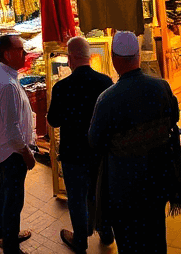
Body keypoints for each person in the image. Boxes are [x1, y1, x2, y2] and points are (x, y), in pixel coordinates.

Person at [88, 30, 181, 254]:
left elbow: (95, 140)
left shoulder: (107, 98)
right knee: (155, 236)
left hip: (124, 186)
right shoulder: (161, 87)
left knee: (129, 242)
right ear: (138, 57)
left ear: (114, 59)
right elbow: (174, 117)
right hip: (156, 181)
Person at [46, 36, 113, 253]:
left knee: (77, 197)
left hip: (73, 153)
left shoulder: (62, 87)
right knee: (101, 192)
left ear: (71, 58)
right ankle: (106, 232)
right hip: (99, 151)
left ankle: (81, 241)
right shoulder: (105, 83)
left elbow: (53, 120)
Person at [0, 34, 35, 254]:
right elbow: (13, 129)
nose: (24, 53)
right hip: (12, 153)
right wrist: (27, 153)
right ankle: (11, 247)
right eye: (20, 49)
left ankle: (4, 234)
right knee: (14, 200)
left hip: (4, 149)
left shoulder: (5, 75)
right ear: (7, 54)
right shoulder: (7, 84)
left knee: (6, 193)